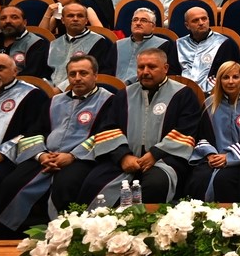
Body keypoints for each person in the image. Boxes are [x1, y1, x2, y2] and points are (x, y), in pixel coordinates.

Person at [0, 55, 113, 233]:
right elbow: (35, 131)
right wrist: (41, 155)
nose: (77, 78)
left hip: (81, 158)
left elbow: (104, 134)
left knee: (66, 185)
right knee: (12, 182)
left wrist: (72, 156)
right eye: (72, 74)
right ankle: (9, 233)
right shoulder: (54, 101)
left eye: (83, 73)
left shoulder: (108, 100)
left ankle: (63, 235)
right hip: (46, 155)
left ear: (95, 75)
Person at [79, 48, 202, 206]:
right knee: (94, 183)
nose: (145, 72)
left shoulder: (183, 94)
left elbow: (187, 131)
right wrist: (123, 156)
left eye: (151, 67)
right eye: (141, 67)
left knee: (155, 184)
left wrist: (154, 154)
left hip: (165, 159)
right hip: (126, 159)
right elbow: (108, 129)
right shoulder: (124, 95)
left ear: (165, 68)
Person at [0, 54, 50, 236]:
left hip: (7, 159)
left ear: (15, 71)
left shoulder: (32, 95)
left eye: (0, 68)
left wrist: (2, 153)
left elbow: (34, 133)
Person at [187, 61, 240, 203]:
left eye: (235, 77)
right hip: (212, 158)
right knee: (199, 178)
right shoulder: (209, 105)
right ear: (219, 81)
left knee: (223, 179)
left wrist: (228, 157)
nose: (230, 82)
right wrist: (211, 154)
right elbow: (201, 136)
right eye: (225, 77)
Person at [46, 3, 115, 89]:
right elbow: (45, 72)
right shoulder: (54, 43)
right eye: (70, 16)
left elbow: (97, 75)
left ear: (86, 20)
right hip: (50, 90)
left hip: (81, 91)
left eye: (80, 16)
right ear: (62, 20)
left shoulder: (99, 42)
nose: (75, 19)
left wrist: (60, 89)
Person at [177, 7, 240, 93]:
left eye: (204, 19)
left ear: (208, 20)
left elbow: (227, 74)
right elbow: (173, 73)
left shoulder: (224, 43)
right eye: (195, 20)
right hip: (181, 93)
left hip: (213, 93)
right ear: (187, 25)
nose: (201, 23)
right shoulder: (179, 44)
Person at [0, 5, 53, 80]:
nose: (8, 21)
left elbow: (31, 76)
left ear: (24, 22)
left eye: (14, 17)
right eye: (3, 18)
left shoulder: (37, 43)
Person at [116, 7, 179, 84]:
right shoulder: (117, 45)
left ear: (153, 26)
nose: (138, 23)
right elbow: (107, 72)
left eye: (143, 20)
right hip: (115, 89)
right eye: (135, 20)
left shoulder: (164, 45)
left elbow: (168, 74)